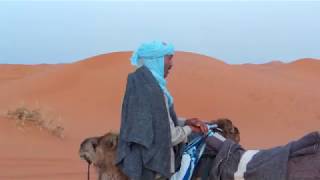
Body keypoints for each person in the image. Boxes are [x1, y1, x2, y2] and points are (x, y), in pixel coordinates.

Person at [116, 41, 208, 180]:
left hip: (138, 164)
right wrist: (190, 129)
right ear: (155, 60)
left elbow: (155, 120)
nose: (172, 64)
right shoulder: (153, 91)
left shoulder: (138, 83)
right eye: (169, 58)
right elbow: (168, 136)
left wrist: (184, 122)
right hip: (153, 169)